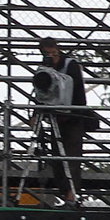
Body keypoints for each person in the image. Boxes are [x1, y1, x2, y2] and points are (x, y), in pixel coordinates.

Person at [37, 37, 95, 208]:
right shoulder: (45, 67)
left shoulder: (70, 65)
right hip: (56, 117)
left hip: (73, 117)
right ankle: (65, 194)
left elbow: (78, 91)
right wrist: (37, 111)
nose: (50, 56)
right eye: (47, 53)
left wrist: (75, 113)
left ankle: (72, 195)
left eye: (53, 52)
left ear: (57, 49)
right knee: (57, 158)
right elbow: (42, 90)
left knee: (71, 157)